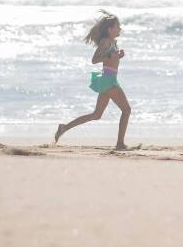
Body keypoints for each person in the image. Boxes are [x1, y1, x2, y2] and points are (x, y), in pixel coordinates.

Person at [54, 10, 132, 149]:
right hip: (109, 81)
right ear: (110, 29)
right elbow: (94, 59)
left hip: (109, 80)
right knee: (126, 110)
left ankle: (64, 128)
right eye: (118, 26)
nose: (120, 28)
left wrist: (117, 56)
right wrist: (109, 57)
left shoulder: (113, 42)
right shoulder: (105, 42)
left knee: (96, 115)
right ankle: (120, 143)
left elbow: (110, 60)